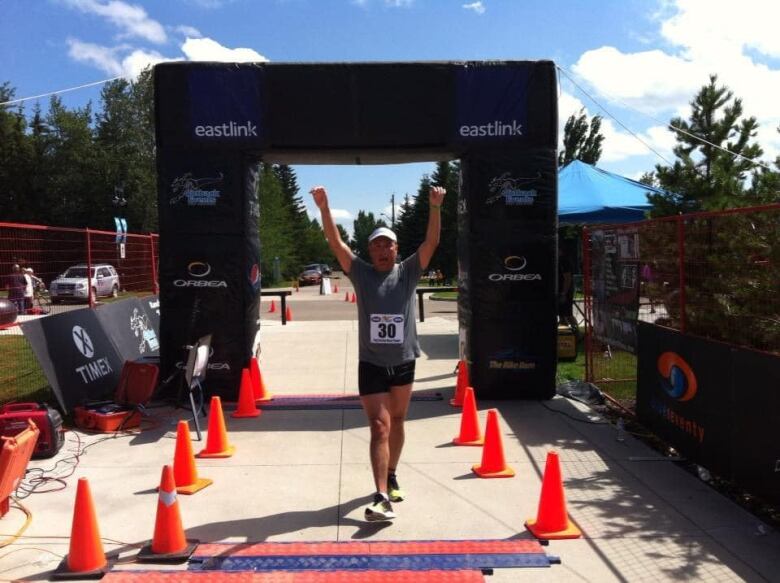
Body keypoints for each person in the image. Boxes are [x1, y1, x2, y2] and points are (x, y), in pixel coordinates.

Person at [311, 184, 445, 522]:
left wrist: (435, 207)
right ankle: (381, 494)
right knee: (379, 426)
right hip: (370, 363)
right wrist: (325, 208)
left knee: (398, 421)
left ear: (397, 249)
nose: (383, 249)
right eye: (376, 244)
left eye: (388, 243)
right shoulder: (361, 273)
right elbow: (336, 243)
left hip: (403, 361)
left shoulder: (408, 272)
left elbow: (431, 244)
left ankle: (393, 474)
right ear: (369, 251)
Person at [558, 247, 578, 335]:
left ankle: (576, 333)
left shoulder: (564, 261)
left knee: (568, 314)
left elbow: (568, 278)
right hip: (559, 291)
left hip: (566, 291)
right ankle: (564, 334)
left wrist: (564, 293)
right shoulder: (557, 260)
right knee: (561, 315)